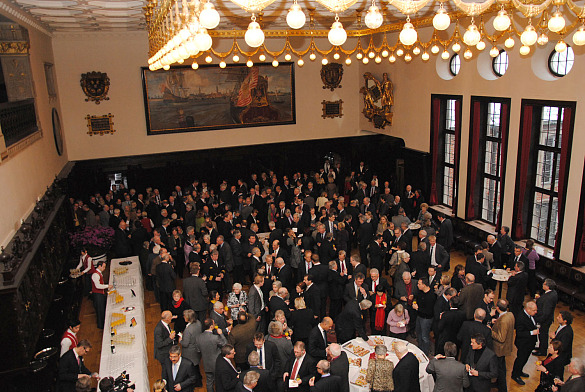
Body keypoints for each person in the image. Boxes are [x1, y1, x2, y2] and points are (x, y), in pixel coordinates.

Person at [512, 301, 539, 385]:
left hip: (530, 343)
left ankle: (519, 371)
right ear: (528, 309)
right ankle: (515, 375)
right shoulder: (521, 317)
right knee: (520, 359)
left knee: (525, 359)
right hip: (523, 343)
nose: (536, 312)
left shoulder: (530, 316)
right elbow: (519, 333)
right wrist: (532, 332)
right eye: (534, 310)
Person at [491, 299, 515, 392]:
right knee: (502, 367)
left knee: (500, 370)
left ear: (497, 308)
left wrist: (491, 331)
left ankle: (502, 388)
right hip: (506, 347)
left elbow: (501, 338)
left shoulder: (503, 321)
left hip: (499, 349)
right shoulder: (510, 315)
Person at [197, 318, 227, 392]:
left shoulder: (198, 337)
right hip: (216, 363)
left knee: (209, 382)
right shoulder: (215, 338)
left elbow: (198, 350)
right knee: (218, 381)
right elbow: (225, 345)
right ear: (211, 326)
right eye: (213, 323)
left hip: (206, 363)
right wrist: (221, 334)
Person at [534, 278, 559, 356]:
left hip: (544, 320)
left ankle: (542, 351)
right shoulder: (553, 293)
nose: (543, 284)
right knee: (542, 335)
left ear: (548, 286)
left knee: (543, 335)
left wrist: (538, 320)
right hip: (547, 319)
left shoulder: (549, 298)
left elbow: (546, 312)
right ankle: (541, 347)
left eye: (544, 284)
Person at [413, 277, 436, 355]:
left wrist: (418, 308)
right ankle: (419, 348)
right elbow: (416, 298)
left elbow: (429, 311)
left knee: (425, 336)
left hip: (426, 319)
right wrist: (414, 302)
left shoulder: (431, 296)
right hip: (419, 316)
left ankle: (425, 353)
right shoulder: (420, 292)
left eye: (419, 284)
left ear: (424, 285)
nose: (417, 285)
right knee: (418, 333)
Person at [180, 309, 203, 387]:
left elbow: (185, 344)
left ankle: (197, 382)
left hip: (189, 352)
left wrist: (180, 340)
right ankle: (199, 378)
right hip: (197, 348)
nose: (183, 317)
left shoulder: (188, 330)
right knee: (196, 366)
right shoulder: (198, 323)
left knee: (192, 368)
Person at [91, 260, 112, 329]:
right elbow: (97, 286)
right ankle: (101, 326)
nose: (104, 268)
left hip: (100, 293)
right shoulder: (95, 275)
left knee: (102, 309)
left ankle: (104, 323)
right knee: (100, 310)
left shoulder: (99, 273)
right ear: (99, 266)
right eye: (103, 267)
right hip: (97, 295)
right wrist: (107, 286)